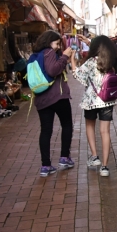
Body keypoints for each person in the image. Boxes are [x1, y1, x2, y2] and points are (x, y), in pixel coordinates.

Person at [70, 35, 117, 177]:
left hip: (91, 101)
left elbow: (79, 76)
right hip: (107, 100)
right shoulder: (111, 62)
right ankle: (105, 167)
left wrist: (72, 60)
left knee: (90, 126)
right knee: (105, 132)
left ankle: (94, 156)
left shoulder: (91, 62)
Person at [32, 30, 75, 177]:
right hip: (57, 96)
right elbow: (52, 70)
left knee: (45, 131)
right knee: (67, 124)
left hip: (41, 99)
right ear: (49, 42)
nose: (58, 46)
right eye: (57, 43)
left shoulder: (34, 55)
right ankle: (64, 158)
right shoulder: (49, 52)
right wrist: (64, 57)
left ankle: (45, 165)